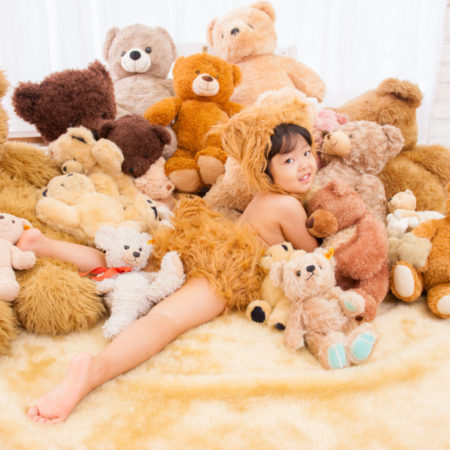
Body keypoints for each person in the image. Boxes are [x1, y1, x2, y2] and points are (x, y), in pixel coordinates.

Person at [18, 91, 318, 424]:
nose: (304, 164)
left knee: (121, 262)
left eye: (307, 153)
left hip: (203, 241)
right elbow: (315, 254)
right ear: (264, 170)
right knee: (165, 320)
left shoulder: (264, 195)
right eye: (289, 160)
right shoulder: (287, 205)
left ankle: (42, 245)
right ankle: (95, 369)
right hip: (229, 269)